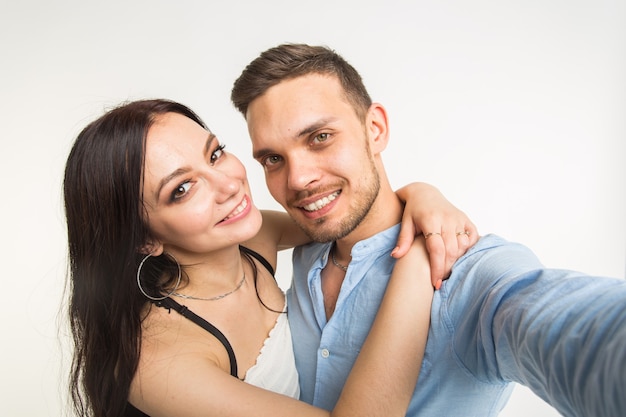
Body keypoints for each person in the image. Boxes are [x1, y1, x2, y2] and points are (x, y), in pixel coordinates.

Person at [230, 43, 626, 417]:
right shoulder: (306, 251)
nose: (298, 180)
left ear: (376, 130)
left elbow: (559, 322)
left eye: (320, 137)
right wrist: (420, 192)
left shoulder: (461, 268)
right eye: (272, 159)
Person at [63, 99, 477, 417]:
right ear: (143, 240)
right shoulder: (156, 361)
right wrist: (420, 254)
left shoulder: (253, 239)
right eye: (182, 189)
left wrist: (424, 194)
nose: (227, 184)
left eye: (214, 154)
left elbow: (352, 212)